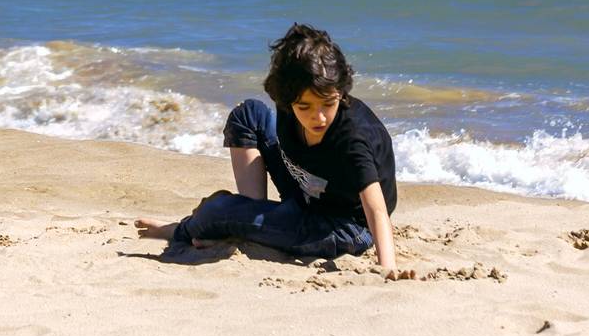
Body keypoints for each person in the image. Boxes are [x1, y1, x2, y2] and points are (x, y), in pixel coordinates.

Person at [136, 23, 411, 279]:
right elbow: (265, 117)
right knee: (248, 114)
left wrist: (388, 269)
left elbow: (376, 208)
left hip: (343, 226)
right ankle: (249, 221)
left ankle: (189, 229)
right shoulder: (288, 99)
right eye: (305, 107)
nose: (319, 117)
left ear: (340, 91)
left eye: (328, 103)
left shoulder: (353, 139)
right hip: (305, 190)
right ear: (286, 98)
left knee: (218, 211)